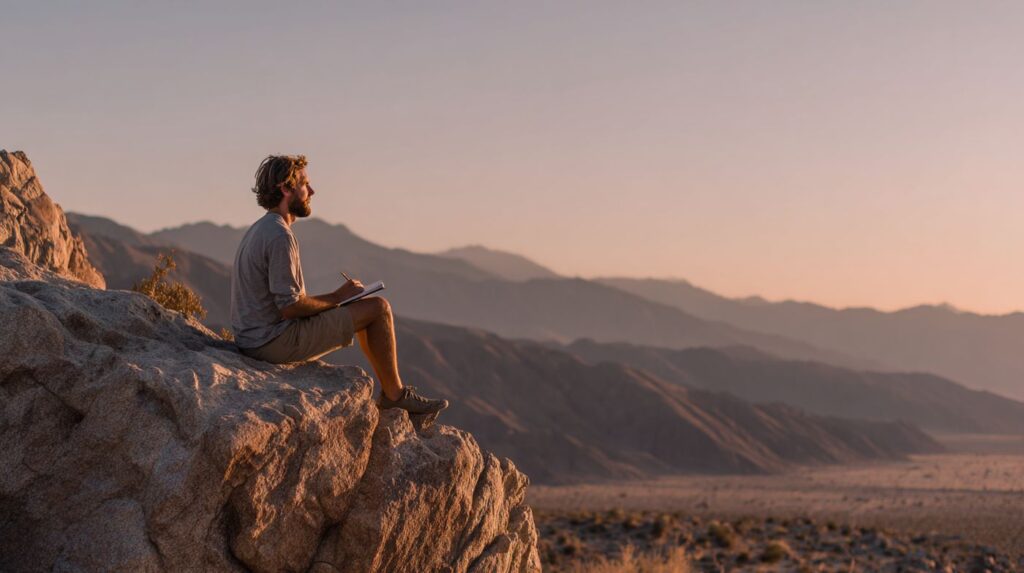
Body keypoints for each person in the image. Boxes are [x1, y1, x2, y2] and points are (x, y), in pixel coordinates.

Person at [230, 154, 448, 416]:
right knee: (378, 308)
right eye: (304, 184)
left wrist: (340, 301)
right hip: (270, 343)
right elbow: (289, 306)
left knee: (366, 311)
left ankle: (393, 395)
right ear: (286, 189)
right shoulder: (279, 235)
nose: (312, 191)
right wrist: (337, 297)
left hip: (252, 339)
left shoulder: (259, 229)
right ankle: (395, 396)